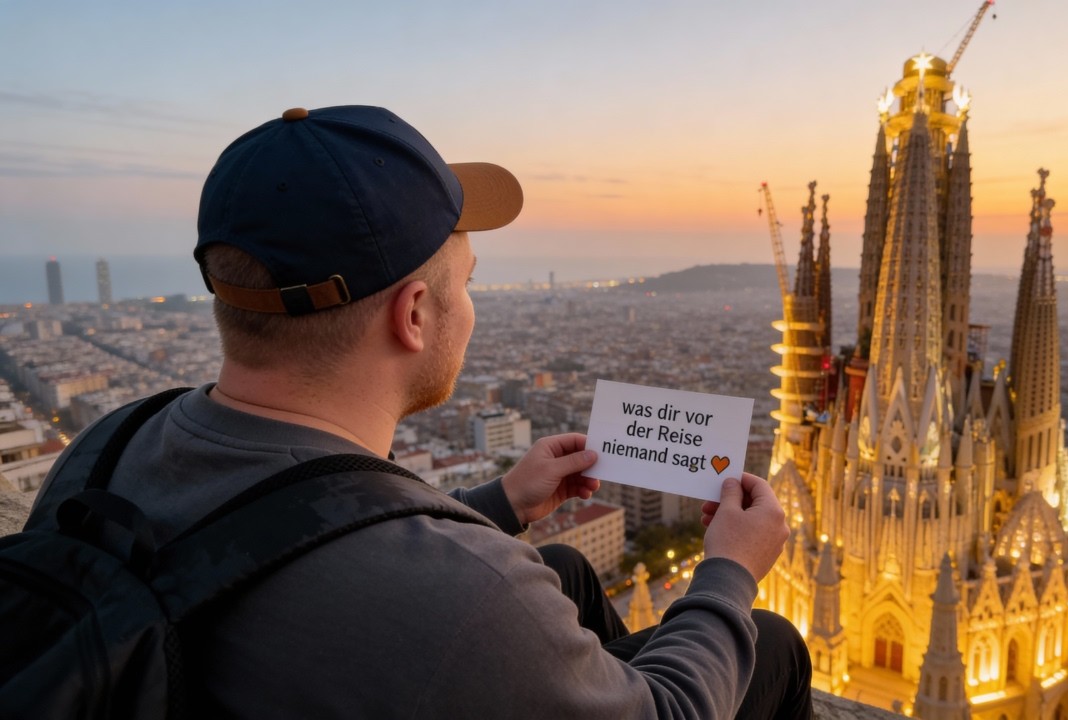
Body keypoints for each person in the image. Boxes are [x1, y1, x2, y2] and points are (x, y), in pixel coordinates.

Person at [43, 105, 812, 718]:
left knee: (569, 571)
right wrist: (728, 572)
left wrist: (502, 503)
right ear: (413, 315)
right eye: (467, 282)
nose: (471, 308)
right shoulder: (468, 593)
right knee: (770, 643)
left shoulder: (103, 448)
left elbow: (296, 542)